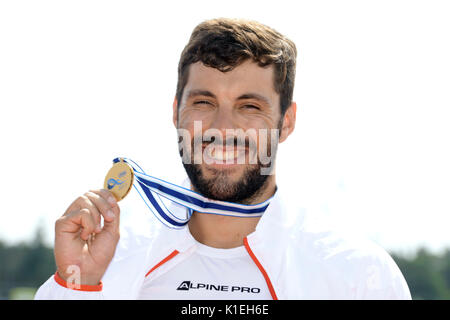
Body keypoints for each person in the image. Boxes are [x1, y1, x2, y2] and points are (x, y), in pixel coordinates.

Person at [35, 18, 411, 300]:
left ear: (287, 122)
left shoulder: (357, 275)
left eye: (249, 106)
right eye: (203, 102)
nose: (222, 127)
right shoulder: (105, 264)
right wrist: (78, 286)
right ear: (175, 114)